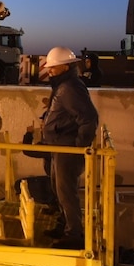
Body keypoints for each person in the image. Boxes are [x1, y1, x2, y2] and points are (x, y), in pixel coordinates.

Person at [40, 46, 99, 249]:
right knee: (59, 189)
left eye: (54, 68)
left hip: (67, 148)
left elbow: (89, 118)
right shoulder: (65, 86)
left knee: (66, 191)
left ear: (65, 67)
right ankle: (64, 225)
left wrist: (79, 146)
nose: (50, 71)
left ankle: (73, 236)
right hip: (60, 146)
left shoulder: (70, 88)